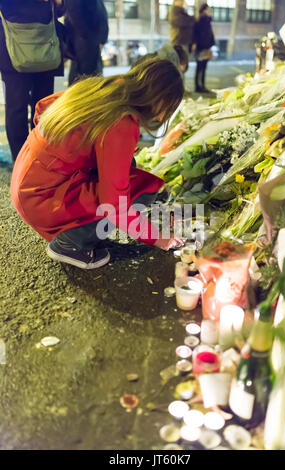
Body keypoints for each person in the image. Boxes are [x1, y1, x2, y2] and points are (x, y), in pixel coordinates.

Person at [10, 58, 185, 270]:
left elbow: (42, 108)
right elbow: (115, 205)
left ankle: (80, 229)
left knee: (130, 164)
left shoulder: (104, 87)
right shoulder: (122, 121)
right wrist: (158, 239)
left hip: (27, 179)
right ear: (161, 102)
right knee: (144, 188)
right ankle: (70, 244)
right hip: (41, 198)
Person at [0, 0, 65, 162]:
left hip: (43, 42)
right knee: (20, 107)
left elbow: (60, 9)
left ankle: (39, 157)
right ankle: (23, 160)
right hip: (14, 42)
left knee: (42, 108)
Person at [64, 0, 109, 85]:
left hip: (91, 39)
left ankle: (90, 96)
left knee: (92, 73)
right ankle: (80, 96)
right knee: (84, 74)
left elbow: (101, 14)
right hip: (85, 40)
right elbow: (73, 10)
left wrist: (102, 38)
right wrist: (86, 33)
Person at [192, 3, 215, 93]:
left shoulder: (207, 21)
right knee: (199, 67)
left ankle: (202, 85)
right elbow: (197, 34)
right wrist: (196, 44)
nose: (209, 11)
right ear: (203, 10)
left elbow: (210, 34)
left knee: (204, 67)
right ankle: (198, 86)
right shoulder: (200, 21)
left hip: (206, 47)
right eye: (208, 9)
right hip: (201, 47)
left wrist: (211, 44)